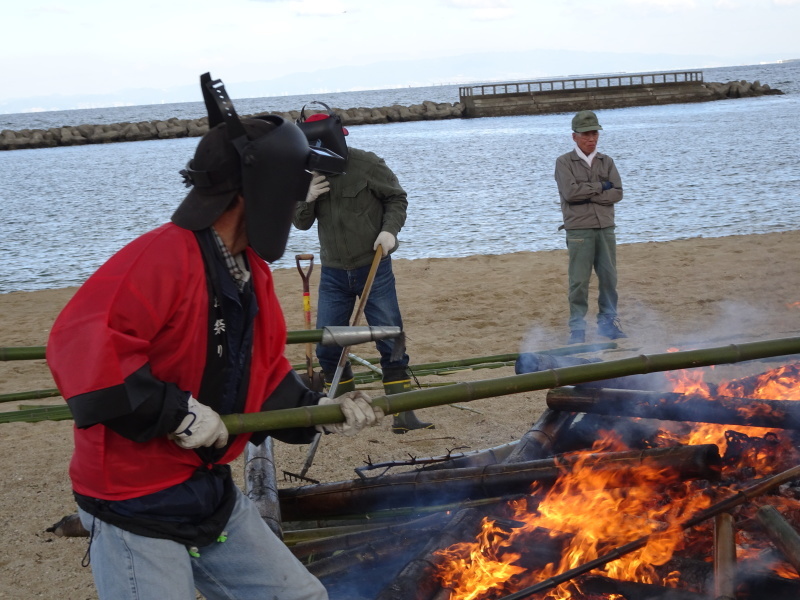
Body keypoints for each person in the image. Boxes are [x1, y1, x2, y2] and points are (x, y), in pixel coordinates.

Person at [45, 73, 384, 600]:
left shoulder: (252, 272)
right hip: (133, 498)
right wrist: (174, 411)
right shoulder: (160, 258)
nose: (301, 194)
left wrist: (322, 410)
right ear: (262, 191)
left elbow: (265, 374)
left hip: (204, 489)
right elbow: (80, 349)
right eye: (295, 182)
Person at [292, 107, 434, 434]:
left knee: (391, 340)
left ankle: (403, 413)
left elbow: (396, 199)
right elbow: (300, 223)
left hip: (373, 266)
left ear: (341, 137)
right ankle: (341, 413)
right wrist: (307, 196)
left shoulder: (367, 164)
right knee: (328, 346)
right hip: (333, 273)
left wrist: (390, 232)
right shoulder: (308, 173)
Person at [554, 109, 627, 344]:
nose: (591, 138)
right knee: (579, 281)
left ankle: (608, 323)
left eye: (594, 133)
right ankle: (577, 328)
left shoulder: (607, 161)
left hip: (605, 227)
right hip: (579, 230)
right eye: (586, 134)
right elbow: (570, 193)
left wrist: (590, 191)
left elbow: (617, 193)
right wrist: (600, 186)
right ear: (574, 136)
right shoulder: (564, 162)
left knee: (608, 278)